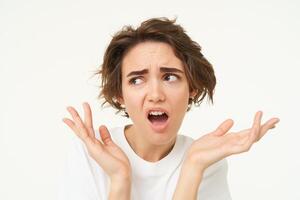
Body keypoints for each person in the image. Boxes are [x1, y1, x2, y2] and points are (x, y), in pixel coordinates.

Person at [58, 17, 280, 200]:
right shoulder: (90, 152)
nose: (155, 95)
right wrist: (119, 179)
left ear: (191, 87)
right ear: (120, 95)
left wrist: (193, 168)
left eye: (170, 77)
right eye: (136, 80)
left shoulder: (206, 159)